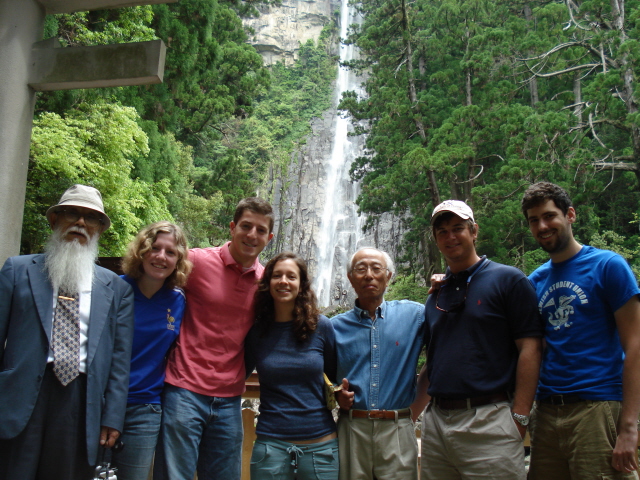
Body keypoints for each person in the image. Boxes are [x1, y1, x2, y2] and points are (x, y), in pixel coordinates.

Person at [0, 184, 134, 480]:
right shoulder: (17, 271)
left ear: (100, 229)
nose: (81, 223)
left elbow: (120, 361)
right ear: (54, 219)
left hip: (82, 402)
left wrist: (112, 417)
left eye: (91, 218)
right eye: (72, 213)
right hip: (22, 398)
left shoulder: (117, 289)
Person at [414, 199, 543, 480]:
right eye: (442, 231)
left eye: (458, 228)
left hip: (490, 420)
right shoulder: (436, 293)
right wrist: (410, 418)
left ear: (474, 231)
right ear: (436, 239)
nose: (450, 236)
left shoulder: (508, 280)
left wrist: (519, 418)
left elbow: (531, 348)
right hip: (436, 423)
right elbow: (434, 362)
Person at [521, 182, 640, 479]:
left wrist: (629, 427)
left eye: (549, 216)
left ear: (570, 215)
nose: (542, 226)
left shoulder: (607, 266)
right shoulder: (535, 281)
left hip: (597, 408)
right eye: (534, 220)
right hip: (546, 412)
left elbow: (635, 345)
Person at [154, 197, 275, 480]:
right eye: (246, 226)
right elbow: (155, 293)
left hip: (230, 397)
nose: (251, 235)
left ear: (268, 238)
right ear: (232, 227)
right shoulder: (196, 261)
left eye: (260, 230)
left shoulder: (266, 282)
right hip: (183, 389)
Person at [331, 247, 425, 480]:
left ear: (389, 276)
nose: (369, 275)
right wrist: (335, 393)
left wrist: (414, 411)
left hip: (398, 428)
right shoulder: (332, 328)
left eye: (376, 268)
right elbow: (320, 376)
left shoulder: (416, 316)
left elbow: (444, 353)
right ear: (350, 278)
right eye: (361, 269)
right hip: (352, 428)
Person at [245, 252, 339, 479]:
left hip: (321, 448)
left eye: (291, 276)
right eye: (277, 276)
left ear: (301, 284)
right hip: (270, 448)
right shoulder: (257, 330)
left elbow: (335, 375)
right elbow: (238, 373)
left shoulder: (322, 327)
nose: (284, 281)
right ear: (268, 283)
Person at [110, 221, 192, 480]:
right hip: (102, 401)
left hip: (146, 408)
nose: (161, 257)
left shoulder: (178, 300)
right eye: (155, 248)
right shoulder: (114, 289)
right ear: (141, 251)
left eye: (170, 252)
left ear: (178, 260)